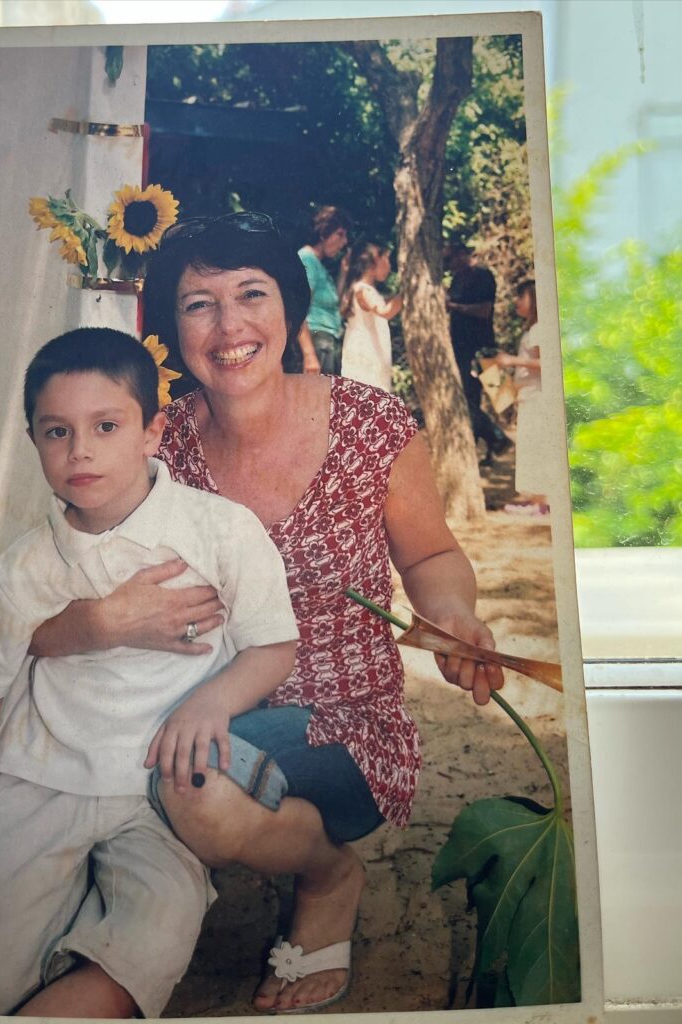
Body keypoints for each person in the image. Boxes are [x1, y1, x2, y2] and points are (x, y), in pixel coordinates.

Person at [30, 214, 505, 1014]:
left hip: (341, 718)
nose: (230, 326)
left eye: (251, 295)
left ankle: (327, 877)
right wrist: (107, 623)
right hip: (180, 704)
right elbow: (48, 603)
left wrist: (452, 616)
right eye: (199, 304)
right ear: (171, 331)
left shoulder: (370, 425)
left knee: (196, 793)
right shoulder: (155, 448)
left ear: (288, 306)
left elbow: (429, 558)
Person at [0, 327, 299, 1018]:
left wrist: (209, 703)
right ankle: (53, 919)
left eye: (106, 426)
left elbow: (273, 647)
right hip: (42, 780)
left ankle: (95, 936)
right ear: (33, 441)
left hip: (159, 794)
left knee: (151, 943)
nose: (79, 450)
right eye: (56, 432)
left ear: (152, 432)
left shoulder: (221, 531)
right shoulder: (17, 574)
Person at [444, 243, 512, 465]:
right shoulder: (455, 281)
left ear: (463, 255)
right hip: (461, 350)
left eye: (452, 259)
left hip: (483, 347)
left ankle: (497, 438)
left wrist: (454, 306)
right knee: (468, 399)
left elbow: (484, 311)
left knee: (501, 398)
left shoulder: (483, 276)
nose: (450, 265)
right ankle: (485, 446)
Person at [494, 279, 549, 515]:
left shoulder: (539, 330)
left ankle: (541, 503)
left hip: (538, 395)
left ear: (534, 300)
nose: (517, 302)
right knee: (531, 447)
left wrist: (512, 360)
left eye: (521, 297)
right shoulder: (530, 330)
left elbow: (546, 363)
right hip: (528, 395)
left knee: (538, 446)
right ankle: (536, 498)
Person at [339, 242, 402, 391]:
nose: (389, 267)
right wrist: (406, 292)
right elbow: (386, 312)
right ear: (374, 262)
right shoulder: (362, 290)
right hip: (365, 356)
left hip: (372, 355)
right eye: (386, 259)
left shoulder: (369, 291)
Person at [297, 205, 352, 374]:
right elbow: (296, 308)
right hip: (316, 341)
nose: (344, 242)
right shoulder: (307, 259)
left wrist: (343, 272)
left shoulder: (319, 265)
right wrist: (309, 354)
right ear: (323, 233)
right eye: (340, 235)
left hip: (326, 343)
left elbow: (335, 304)